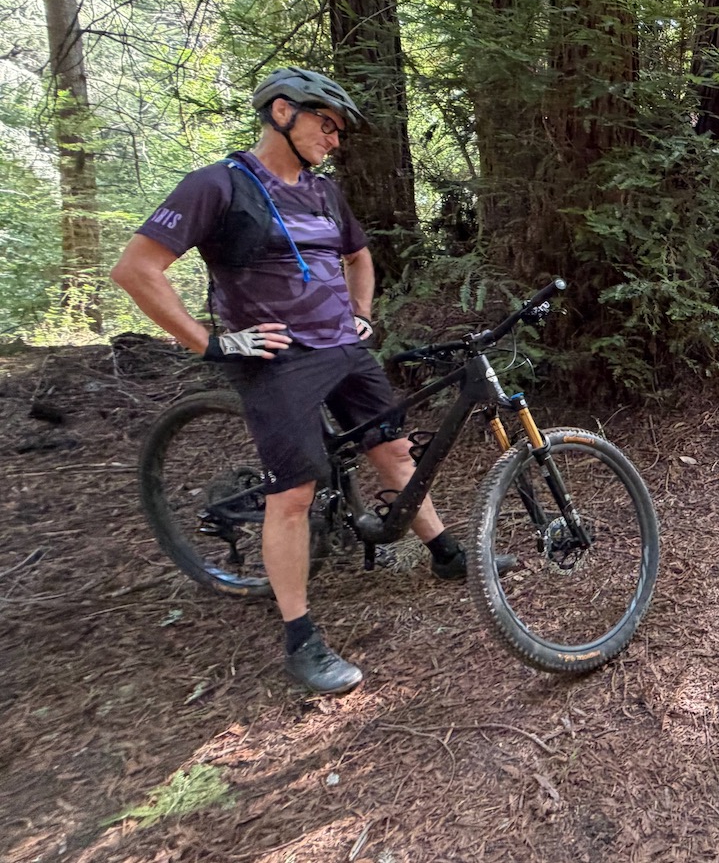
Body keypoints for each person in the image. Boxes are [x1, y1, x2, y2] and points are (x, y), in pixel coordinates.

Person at [112, 67, 466, 695]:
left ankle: (446, 556)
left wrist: (362, 314)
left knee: (393, 449)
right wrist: (212, 342)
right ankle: (300, 639)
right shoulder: (218, 185)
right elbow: (137, 269)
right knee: (296, 492)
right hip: (277, 361)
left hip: (344, 349)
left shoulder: (324, 192)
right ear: (282, 112)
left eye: (338, 130)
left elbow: (357, 255)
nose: (335, 139)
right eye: (326, 124)